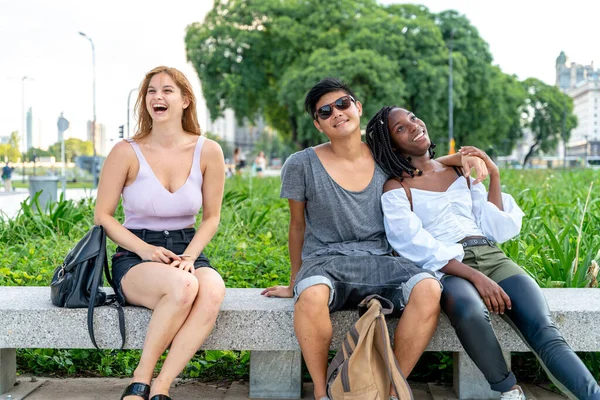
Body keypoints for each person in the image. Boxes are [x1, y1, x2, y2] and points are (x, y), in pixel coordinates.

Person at [261, 78, 487, 400]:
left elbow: (426, 163)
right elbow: (297, 226)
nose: (337, 113)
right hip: (325, 261)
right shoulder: (301, 164)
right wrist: (295, 280)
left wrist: (465, 158)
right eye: (325, 111)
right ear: (318, 124)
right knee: (310, 295)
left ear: (357, 107)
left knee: (428, 287)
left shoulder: (384, 156)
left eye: (342, 104)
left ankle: (392, 388)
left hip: (382, 259)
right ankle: (323, 392)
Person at [366, 105, 600, 400]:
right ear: (391, 144)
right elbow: (415, 246)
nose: (413, 126)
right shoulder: (396, 188)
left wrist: (495, 175)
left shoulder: (459, 171)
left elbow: (496, 229)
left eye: (412, 118)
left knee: (545, 331)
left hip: (490, 255)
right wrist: (476, 277)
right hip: (447, 268)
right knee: (471, 311)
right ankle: (509, 391)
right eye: (400, 128)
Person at [94, 66, 226, 400]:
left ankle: (162, 387)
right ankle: (140, 379)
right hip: (136, 253)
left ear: (185, 100)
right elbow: (103, 217)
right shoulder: (126, 151)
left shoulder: (208, 151)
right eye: (151, 91)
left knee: (211, 290)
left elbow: (211, 218)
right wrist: (145, 250)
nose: (157, 97)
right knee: (184, 285)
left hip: (186, 247)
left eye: (167, 91)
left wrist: (191, 256)